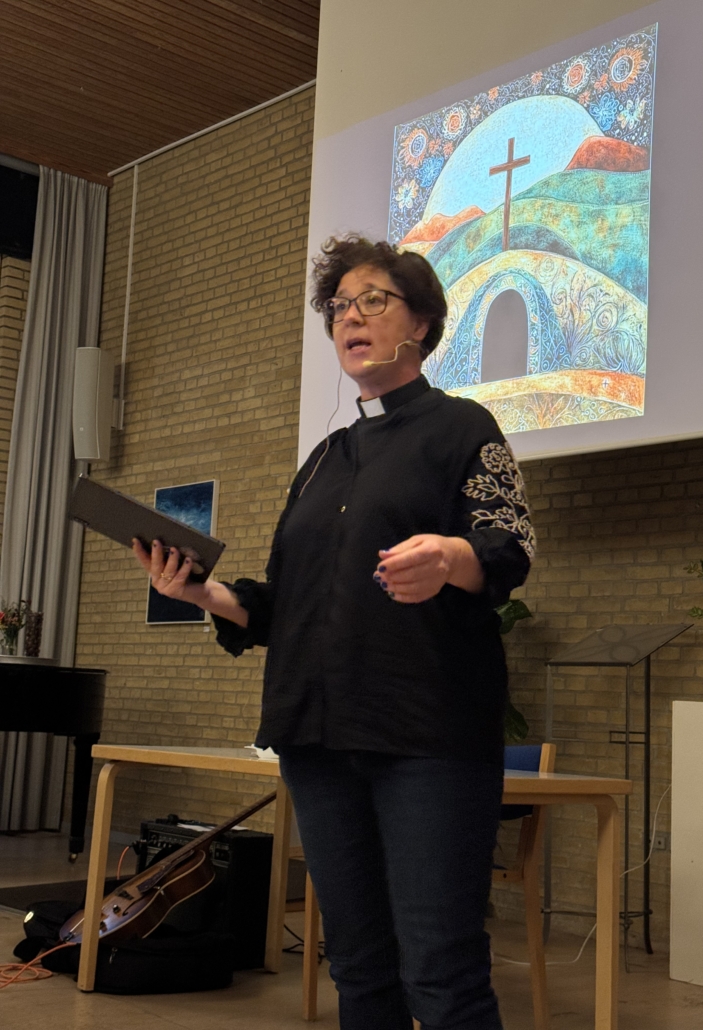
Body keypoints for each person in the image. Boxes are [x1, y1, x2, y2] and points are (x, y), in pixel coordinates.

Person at [133, 235, 535, 1030]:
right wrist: (202, 591)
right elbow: (288, 604)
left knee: (441, 972)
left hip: (426, 736)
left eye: (372, 300)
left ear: (420, 322)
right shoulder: (322, 459)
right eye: (339, 307)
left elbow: (508, 545)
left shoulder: (463, 427)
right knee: (356, 965)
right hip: (318, 738)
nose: (350, 317)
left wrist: (449, 557)